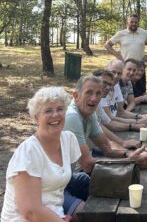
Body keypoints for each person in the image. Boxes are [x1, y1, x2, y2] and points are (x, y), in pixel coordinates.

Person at [1, 87, 88, 222]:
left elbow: (59, 186)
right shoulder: (29, 153)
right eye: (48, 111)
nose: (55, 115)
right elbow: (30, 212)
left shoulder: (69, 140)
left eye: (60, 109)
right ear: (36, 118)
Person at [63, 75, 147, 174]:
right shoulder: (72, 117)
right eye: (89, 92)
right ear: (76, 96)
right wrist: (130, 161)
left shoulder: (88, 113)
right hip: (62, 182)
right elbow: (87, 165)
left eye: (98, 94)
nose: (94, 98)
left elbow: (107, 146)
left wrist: (130, 153)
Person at [105, 14, 147, 89]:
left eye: (136, 22)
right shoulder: (121, 34)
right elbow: (107, 45)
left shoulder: (143, 33)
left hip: (139, 68)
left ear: (138, 23)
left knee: (140, 90)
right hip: (125, 68)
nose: (134, 24)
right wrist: (118, 56)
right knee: (124, 90)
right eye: (131, 22)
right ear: (128, 22)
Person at [93, 69, 141, 150]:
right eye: (104, 83)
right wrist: (122, 143)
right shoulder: (90, 101)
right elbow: (100, 126)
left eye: (110, 84)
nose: (108, 87)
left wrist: (134, 125)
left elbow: (108, 123)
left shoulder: (97, 100)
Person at [103, 59, 147, 129]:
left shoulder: (116, 85)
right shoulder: (101, 90)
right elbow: (109, 120)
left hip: (116, 124)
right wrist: (136, 123)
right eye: (113, 72)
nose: (116, 76)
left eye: (119, 73)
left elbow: (121, 112)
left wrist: (142, 117)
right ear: (106, 70)